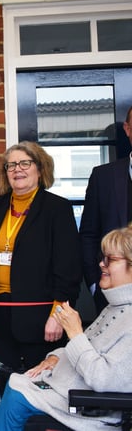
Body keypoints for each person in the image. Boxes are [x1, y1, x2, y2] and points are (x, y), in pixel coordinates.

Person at [0, 225, 132, 430]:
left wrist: (74, 332)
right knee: (17, 385)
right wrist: (55, 357)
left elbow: (101, 377)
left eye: (111, 260)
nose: (101, 264)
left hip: (88, 406)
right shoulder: (115, 306)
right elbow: (86, 349)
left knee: (17, 394)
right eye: (103, 257)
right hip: (69, 388)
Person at [0, 141, 82, 397]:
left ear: (40, 169)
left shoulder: (57, 208)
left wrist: (57, 314)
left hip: (41, 317)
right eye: (11, 165)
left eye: (24, 163)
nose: (17, 170)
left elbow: (68, 268)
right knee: (6, 383)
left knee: (40, 389)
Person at [80, 105, 132, 315]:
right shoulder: (103, 177)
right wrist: (94, 285)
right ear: (127, 129)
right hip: (110, 297)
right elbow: (88, 235)